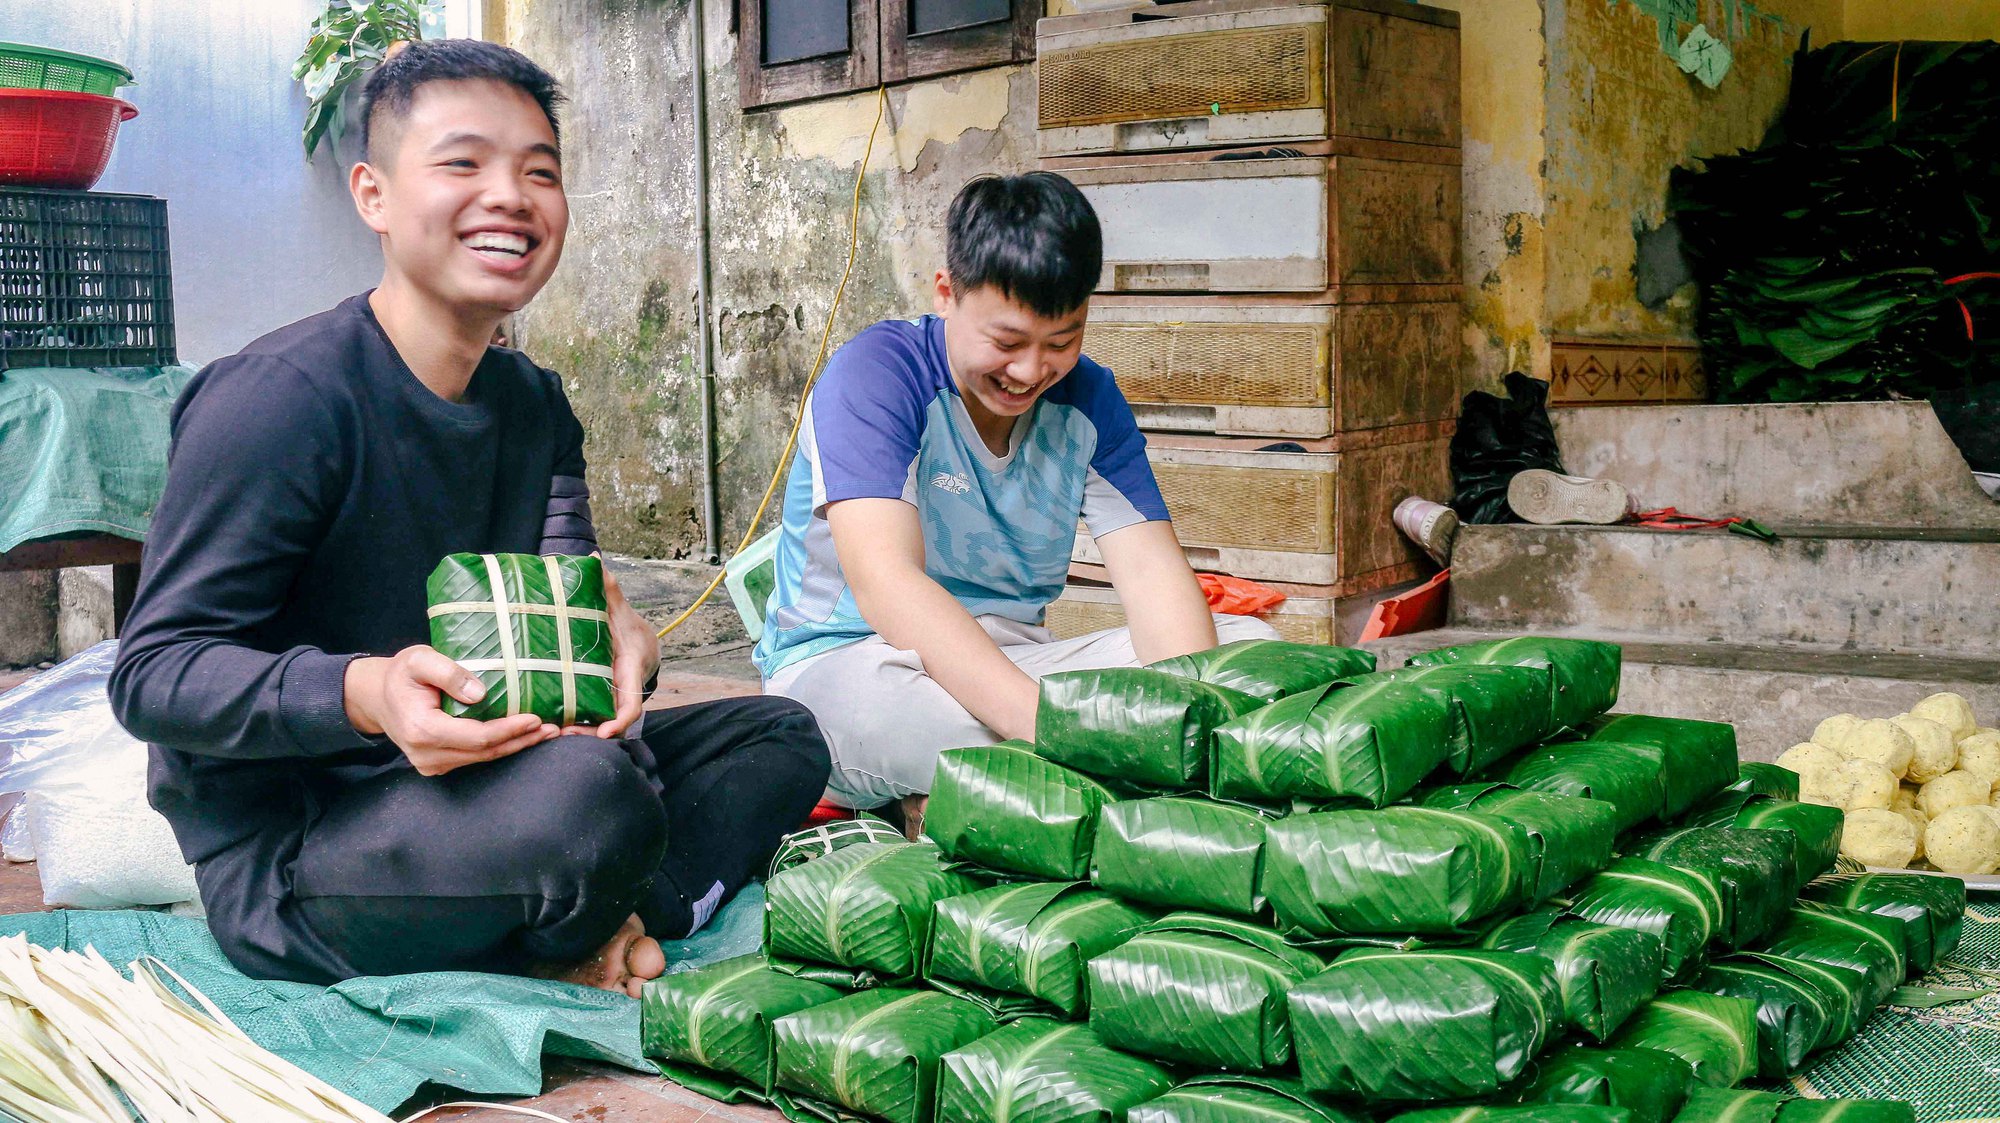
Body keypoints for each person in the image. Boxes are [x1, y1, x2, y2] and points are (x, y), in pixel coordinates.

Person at [109, 40, 829, 995]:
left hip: (498, 771)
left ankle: (597, 918)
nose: (511, 196)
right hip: (307, 847)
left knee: (779, 736)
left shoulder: (534, 405)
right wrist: (365, 692)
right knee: (588, 800)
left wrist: (629, 648)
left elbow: (578, 637)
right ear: (372, 194)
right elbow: (154, 675)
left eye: (541, 172)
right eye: (463, 163)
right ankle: (607, 910)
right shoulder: (279, 401)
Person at [754, 172, 1275, 834]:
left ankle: (977, 798)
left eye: (1062, 341)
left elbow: (1152, 578)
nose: (1031, 371)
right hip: (852, 668)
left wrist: (1194, 708)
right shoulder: (877, 376)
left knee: (1248, 652)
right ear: (947, 292)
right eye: (1007, 342)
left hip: (1011, 665)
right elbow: (889, 586)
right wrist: (1050, 728)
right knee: (951, 725)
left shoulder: (1089, 402)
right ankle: (1004, 784)